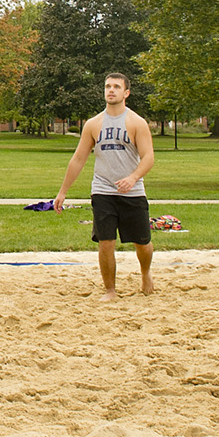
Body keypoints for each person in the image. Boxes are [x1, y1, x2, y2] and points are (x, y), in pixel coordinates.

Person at [54, 73, 156, 299]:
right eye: (108, 86)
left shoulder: (136, 122)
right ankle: (110, 290)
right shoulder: (93, 124)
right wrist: (62, 192)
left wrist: (133, 178)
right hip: (103, 191)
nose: (111, 90)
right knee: (106, 242)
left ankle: (145, 273)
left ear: (126, 93)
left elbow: (148, 157)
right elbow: (78, 159)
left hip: (132, 192)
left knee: (142, 243)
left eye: (117, 87)